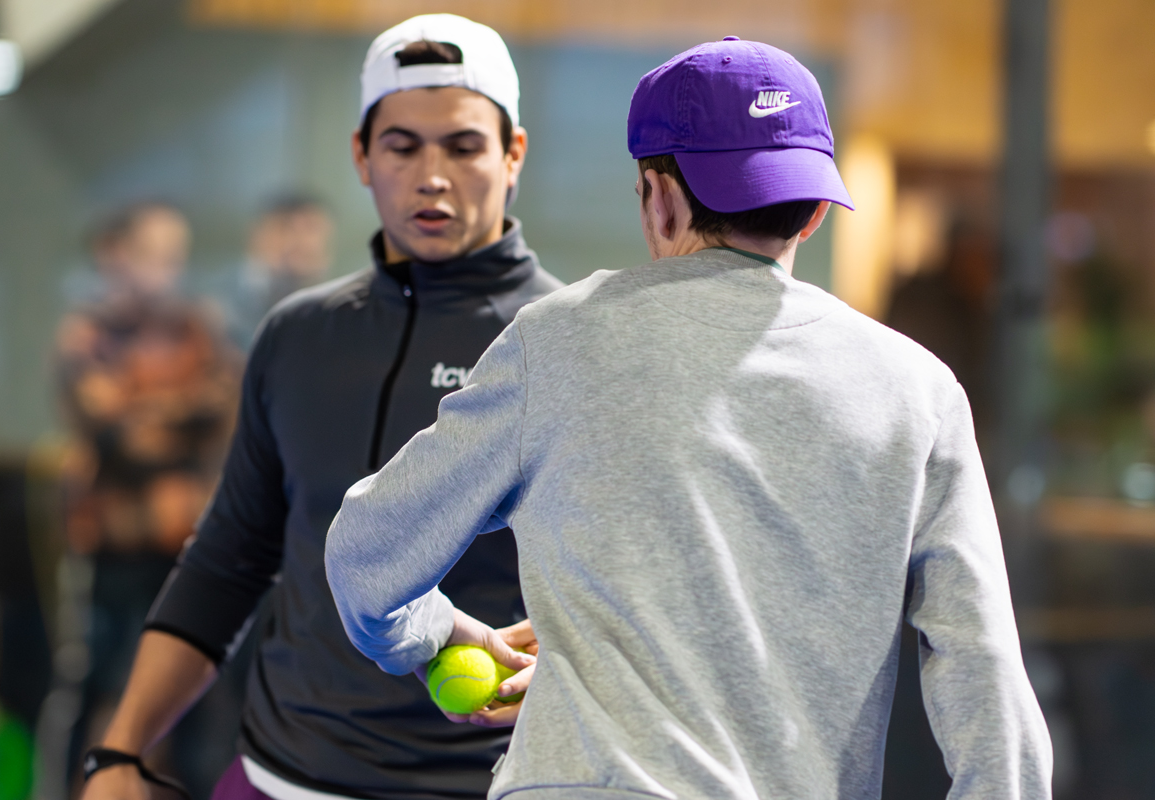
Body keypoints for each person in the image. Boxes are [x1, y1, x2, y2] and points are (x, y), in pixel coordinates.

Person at [325, 38, 1054, 800]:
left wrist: (435, 633)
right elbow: (985, 672)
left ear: (658, 196)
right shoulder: (918, 389)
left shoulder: (561, 342)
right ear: (810, 213)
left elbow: (366, 557)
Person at [80, 14, 559, 800]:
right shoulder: (298, 335)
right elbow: (230, 557)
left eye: (464, 145)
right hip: (280, 773)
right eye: (402, 146)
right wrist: (121, 752)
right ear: (362, 157)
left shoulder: (563, 340)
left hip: (495, 783)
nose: (432, 174)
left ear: (513, 156)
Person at [57, 201, 241, 793]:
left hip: (189, 545)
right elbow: (116, 434)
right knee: (102, 687)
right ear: (114, 255)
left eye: (174, 256)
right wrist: (179, 415)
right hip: (116, 548)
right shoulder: (85, 334)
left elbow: (226, 411)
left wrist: (147, 411)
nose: (164, 269)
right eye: (150, 254)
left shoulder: (197, 328)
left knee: (201, 695)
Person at [224, 193, 335, 351]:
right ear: (257, 235)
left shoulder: (335, 307)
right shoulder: (216, 306)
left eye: (312, 229)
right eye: (286, 228)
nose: (304, 242)